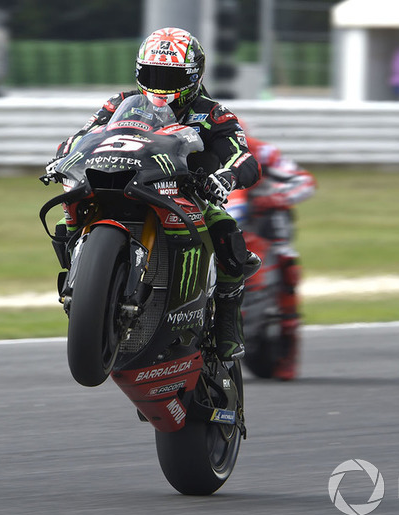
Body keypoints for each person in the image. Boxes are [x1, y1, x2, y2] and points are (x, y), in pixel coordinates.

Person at [45, 27, 261, 361]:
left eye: (170, 76)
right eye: (152, 74)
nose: (160, 85)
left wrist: (226, 177)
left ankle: (228, 320)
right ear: (139, 72)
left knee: (225, 233)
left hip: (186, 195)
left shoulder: (213, 113)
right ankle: (82, 284)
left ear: (193, 76)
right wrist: (63, 157)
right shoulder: (120, 104)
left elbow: (243, 156)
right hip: (121, 181)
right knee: (64, 221)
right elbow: (83, 135)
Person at [226, 134, 316, 380]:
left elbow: (305, 182)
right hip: (223, 217)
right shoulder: (190, 151)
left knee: (287, 261)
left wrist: (273, 198)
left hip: (263, 217)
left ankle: (289, 343)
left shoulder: (264, 152)